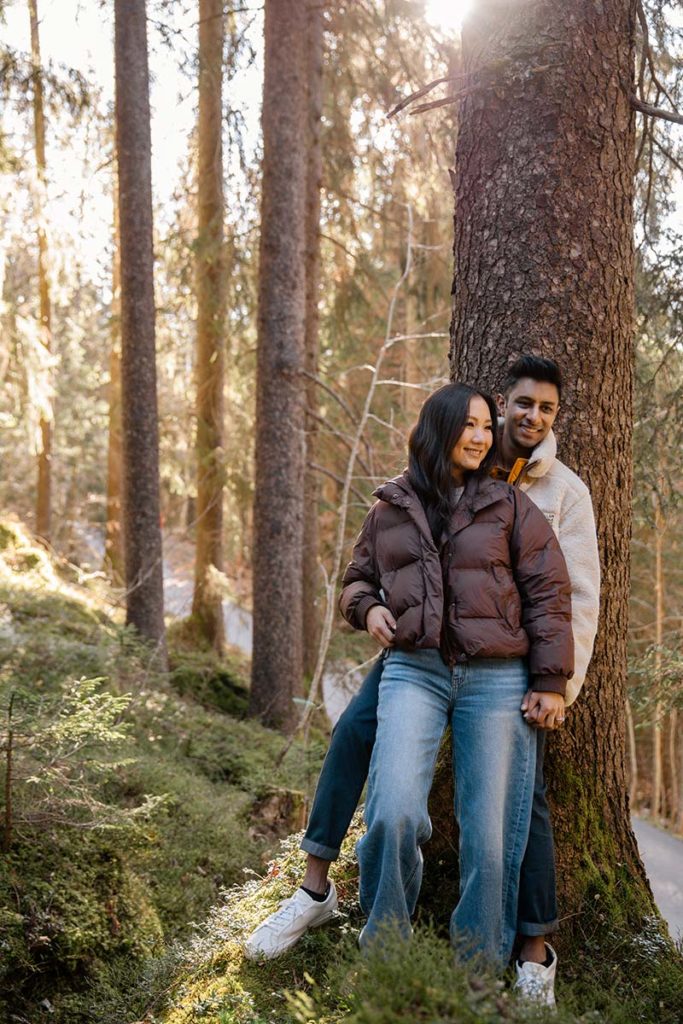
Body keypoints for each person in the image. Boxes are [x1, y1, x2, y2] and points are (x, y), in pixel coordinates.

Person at [246, 360, 600, 999]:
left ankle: (477, 972)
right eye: (469, 425)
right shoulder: (392, 506)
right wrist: (369, 608)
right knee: (392, 812)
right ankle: (385, 952)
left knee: (492, 835)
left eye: (484, 426)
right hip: (415, 668)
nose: (481, 435)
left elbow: (553, 593)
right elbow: (356, 579)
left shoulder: (512, 504)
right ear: (437, 430)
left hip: (498, 677)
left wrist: (552, 679)